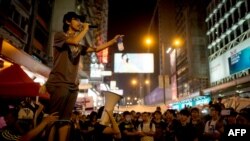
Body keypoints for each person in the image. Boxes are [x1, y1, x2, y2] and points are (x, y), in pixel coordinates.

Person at [38, 11, 123, 141]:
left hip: (73, 84)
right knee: (54, 118)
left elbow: (95, 49)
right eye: (76, 20)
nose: (80, 23)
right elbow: (73, 40)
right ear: (67, 22)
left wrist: (113, 41)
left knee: (65, 120)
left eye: (80, 21)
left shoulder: (78, 45)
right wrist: (85, 29)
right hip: (59, 81)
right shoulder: (60, 36)